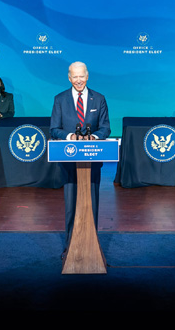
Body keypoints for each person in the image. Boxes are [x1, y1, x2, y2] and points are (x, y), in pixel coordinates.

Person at [50, 61, 111, 249]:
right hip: (69, 160)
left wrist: (94, 137)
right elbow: (54, 129)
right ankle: (70, 246)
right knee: (71, 205)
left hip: (92, 160)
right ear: (69, 78)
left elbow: (106, 128)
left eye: (81, 76)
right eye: (75, 77)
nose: (78, 80)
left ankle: (91, 245)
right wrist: (70, 136)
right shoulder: (60, 99)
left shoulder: (99, 99)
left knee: (91, 203)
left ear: (87, 76)